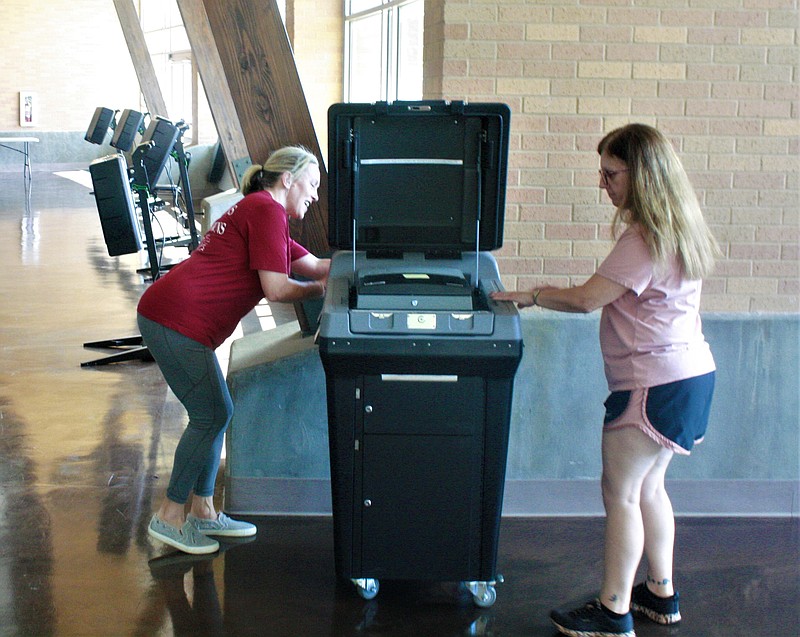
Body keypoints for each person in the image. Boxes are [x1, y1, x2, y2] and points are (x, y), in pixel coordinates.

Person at [491, 124, 719, 637]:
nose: (603, 184)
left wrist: (531, 295)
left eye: (611, 173)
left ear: (642, 176)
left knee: (619, 492)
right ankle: (661, 594)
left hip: (652, 382)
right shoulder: (681, 228)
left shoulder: (644, 239)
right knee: (650, 488)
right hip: (691, 376)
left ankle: (613, 610)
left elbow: (587, 298)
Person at [138, 145, 330, 555]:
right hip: (173, 320)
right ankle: (170, 516)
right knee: (212, 414)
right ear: (288, 179)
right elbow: (278, 288)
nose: (315, 195)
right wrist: (321, 292)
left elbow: (314, 265)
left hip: (178, 320)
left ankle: (204, 511)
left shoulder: (264, 213)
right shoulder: (265, 211)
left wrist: (366, 266)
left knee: (215, 412)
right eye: (312, 185)